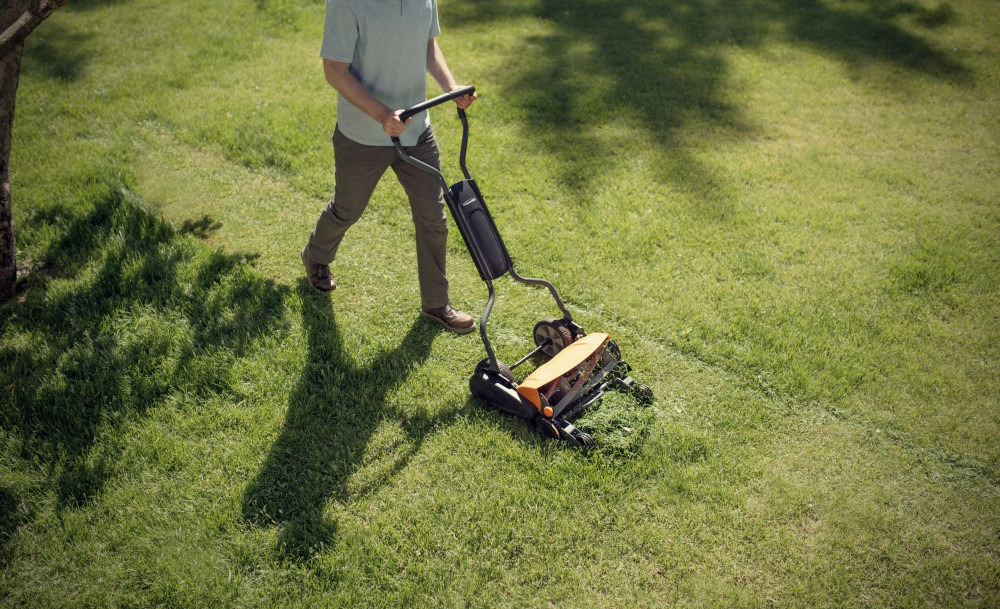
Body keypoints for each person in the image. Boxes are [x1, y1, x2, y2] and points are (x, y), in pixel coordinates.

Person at [300, 0, 478, 334]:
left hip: (416, 132)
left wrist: (450, 86)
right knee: (347, 209)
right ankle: (316, 256)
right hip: (362, 136)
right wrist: (382, 114)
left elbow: (427, 44)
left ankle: (436, 302)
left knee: (433, 217)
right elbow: (334, 70)